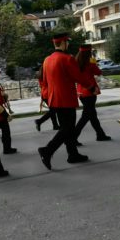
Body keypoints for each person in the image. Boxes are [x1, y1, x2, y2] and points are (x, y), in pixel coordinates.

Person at [38, 33, 97, 171]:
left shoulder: (47, 60)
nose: (68, 44)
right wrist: (91, 87)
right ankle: (47, 150)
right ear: (63, 43)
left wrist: (46, 96)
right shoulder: (67, 58)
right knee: (67, 129)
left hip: (54, 99)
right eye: (67, 42)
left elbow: (44, 81)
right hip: (66, 99)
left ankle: (73, 154)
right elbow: (78, 77)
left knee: (67, 128)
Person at [73, 45, 111, 144]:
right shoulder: (90, 63)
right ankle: (73, 138)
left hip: (81, 92)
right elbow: (98, 72)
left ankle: (100, 134)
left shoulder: (75, 63)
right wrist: (94, 62)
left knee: (92, 115)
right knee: (86, 116)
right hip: (90, 91)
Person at [34, 67, 60, 132]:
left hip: (44, 94)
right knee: (53, 110)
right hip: (48, 94)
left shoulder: (40, 75)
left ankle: (55, 125)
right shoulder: (46, 75)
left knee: (52, 110)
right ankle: (39, 121)